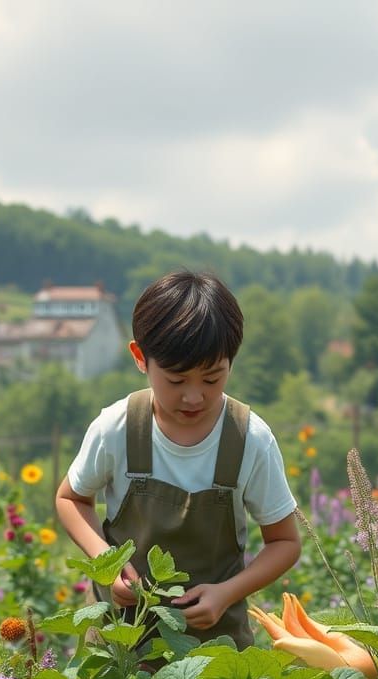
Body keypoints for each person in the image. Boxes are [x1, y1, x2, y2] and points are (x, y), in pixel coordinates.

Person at [56, 270, 300, 648]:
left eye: (212, 379)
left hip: (213, 643)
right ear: (140, 358)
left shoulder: (249, 439)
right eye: (176, 380)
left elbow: (285, 542)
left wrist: (226, 593)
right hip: (119, 640)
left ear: (231, 363)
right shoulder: (117, 428)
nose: (193, 397)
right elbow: (71, 498)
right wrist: (107, 563)